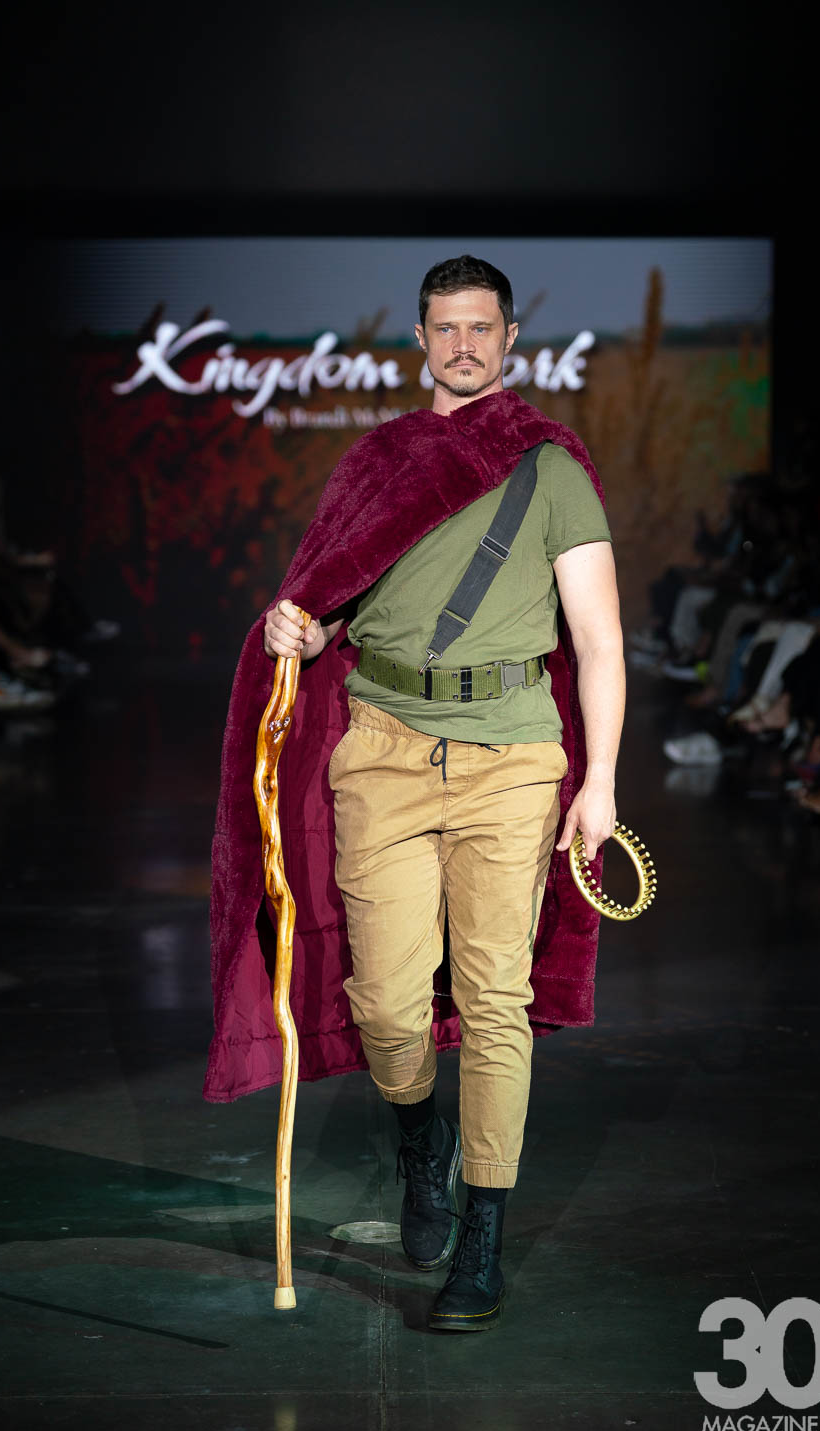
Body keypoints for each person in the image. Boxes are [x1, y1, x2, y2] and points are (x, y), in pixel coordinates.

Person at [206, 256, 624, 1332]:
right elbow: (331, 603)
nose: (463, 345)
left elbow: (598, 641)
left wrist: (602, 785)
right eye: (446, 328)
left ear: (510, 338)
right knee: (387, 1008)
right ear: (422, 338)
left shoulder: (549, 467)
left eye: (481, 328)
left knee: (494, 1002)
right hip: (383, 751)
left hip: (511, 761)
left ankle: (482, 1233)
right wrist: (299, 630)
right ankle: (418, 1139)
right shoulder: (378, 462)